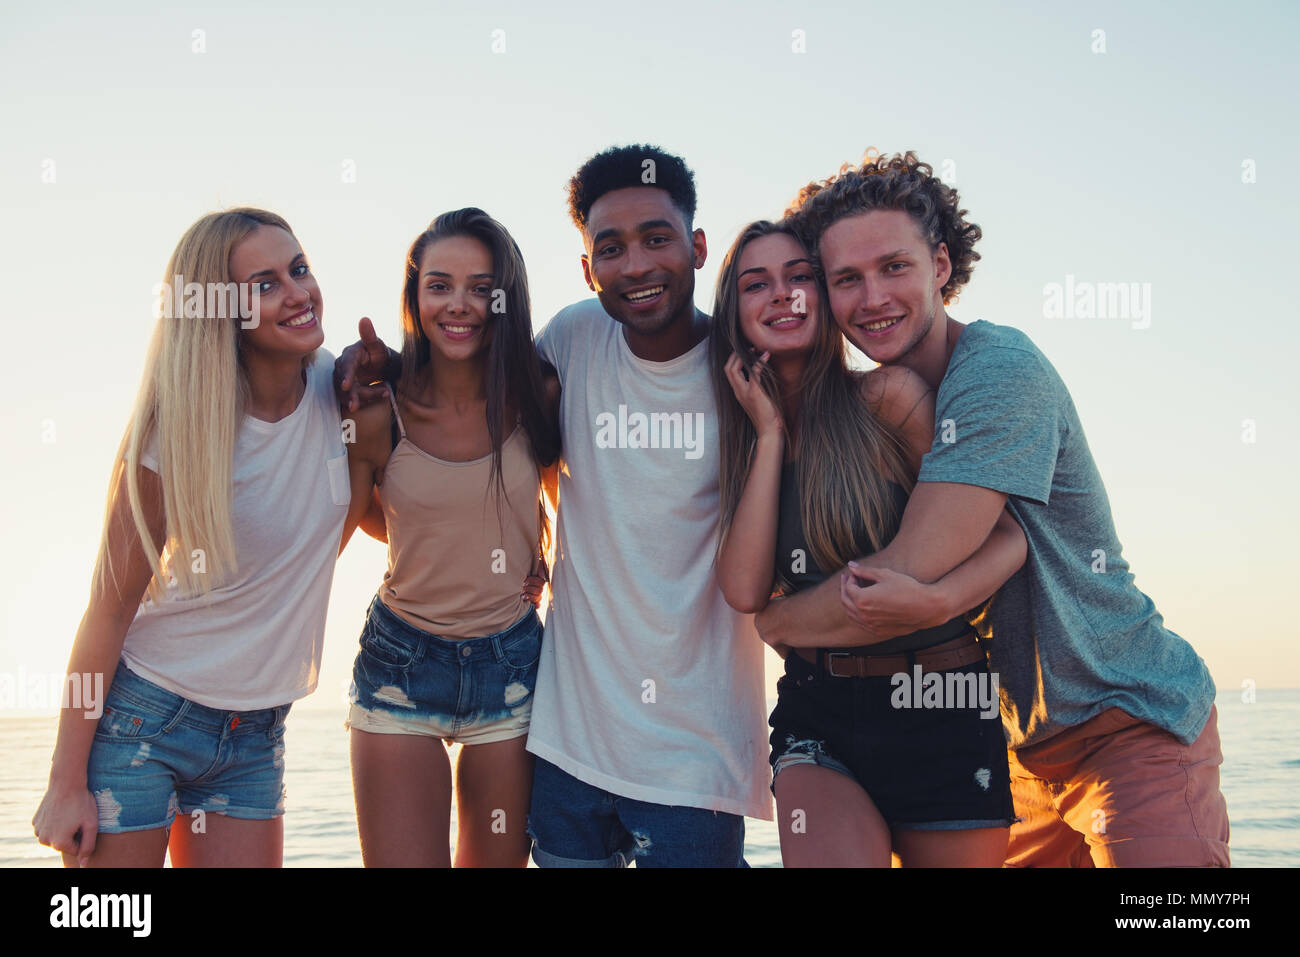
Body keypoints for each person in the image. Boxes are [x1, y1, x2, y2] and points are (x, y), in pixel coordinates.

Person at [758, 152, 1230, 867]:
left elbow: (913, 566)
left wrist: (771, 618)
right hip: (1009, 746)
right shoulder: (867, 410)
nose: (873, 296)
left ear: (941, 265)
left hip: (1128, 722)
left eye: (894, 266)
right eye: (845, 279)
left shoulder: (997, 369)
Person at [336, 146, 772, 867]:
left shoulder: (746, 370)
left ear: (697, 246)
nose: (635, 265)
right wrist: (368, 366)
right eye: (611, 247)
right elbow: (463, 417)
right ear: (587, 267)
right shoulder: (572, 340)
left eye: (656, 239)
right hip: (556, 730)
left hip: (679, 749)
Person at [32, 208, 351, 867]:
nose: (297, 291)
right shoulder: (175, 431)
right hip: (143, 721)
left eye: (299, 268)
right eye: (264, 283)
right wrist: (65, 783)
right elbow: (108, 608)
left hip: (257, 734)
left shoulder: (344, 393)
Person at [711, 219, 1025, 866]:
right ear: (733, 312)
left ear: (825, 296)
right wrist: (769, 435)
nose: (783, 295)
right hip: (817, 712)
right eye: (756, 284)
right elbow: (745, 590)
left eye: (801, 277)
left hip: (944, 698)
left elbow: (1005, 537)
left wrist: (935, 602)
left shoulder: (888, 399)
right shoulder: (742, 441)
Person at [338, 208, 560, 868]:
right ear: (415, 295)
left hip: (513, 668)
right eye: (439, 285)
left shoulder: (539, 392)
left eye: (479, 287)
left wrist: (541, 553)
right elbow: (367, 520)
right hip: (401, 666)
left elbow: (568, 498)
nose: (458, 304)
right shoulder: (380, 408)